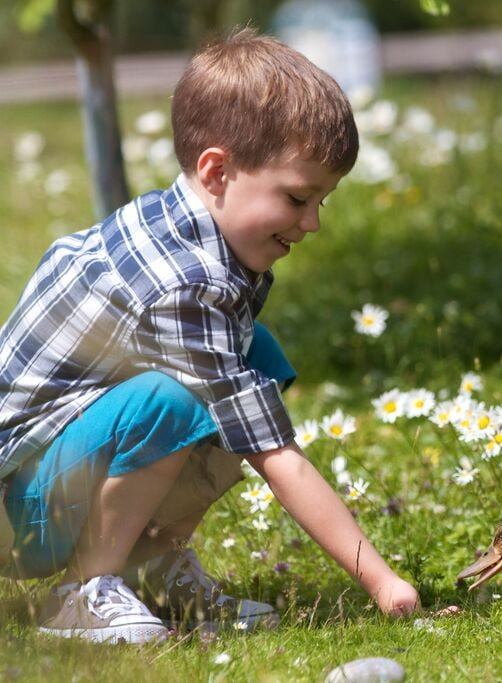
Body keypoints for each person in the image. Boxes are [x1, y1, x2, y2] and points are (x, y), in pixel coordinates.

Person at [0, 28, 420, 645]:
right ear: (217, 170)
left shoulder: (189, 230)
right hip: (19, 515)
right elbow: (271, 452)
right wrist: (382, 581)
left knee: (255, 357)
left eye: (322, 201)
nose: (313, 223)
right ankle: (85, 590)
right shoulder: (184, 286)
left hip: (52, 482)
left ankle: (149, 565)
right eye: (299, 198)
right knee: (171, 404)